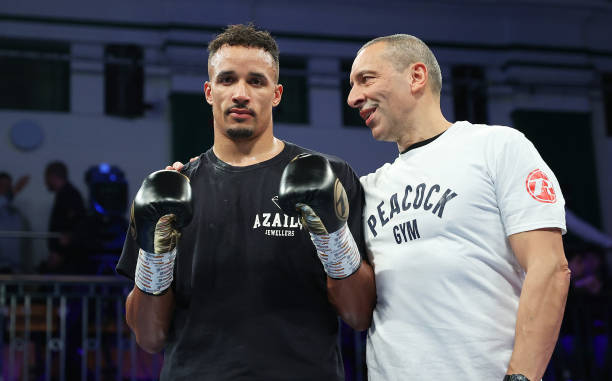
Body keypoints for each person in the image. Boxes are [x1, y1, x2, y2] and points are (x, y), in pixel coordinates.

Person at [116, 24, 375, 380]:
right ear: (209, 91)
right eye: (226, 80)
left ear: (277, 93)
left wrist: (332, 235)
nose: (240, 93)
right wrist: (154, 256)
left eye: (256, 81)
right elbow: (149, 336)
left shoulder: (330, 177)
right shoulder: (173, 191)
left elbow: (359, 315)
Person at [347, 34, 570, 381]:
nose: (352, 97)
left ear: (416, 76)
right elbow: (357, 306)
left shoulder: (496, 148)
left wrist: (522, 377)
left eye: (366, 79)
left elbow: (550, 267)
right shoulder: (367, 189)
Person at [40, 161, 86, 274]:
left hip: (67, 258)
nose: (45, 182)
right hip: (65, 254)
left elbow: (71, 226)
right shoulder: (66, 194)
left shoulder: (69, 194)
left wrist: (59, 251)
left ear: (52, 176)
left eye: (46, 178)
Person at [0, 172, 30, 273]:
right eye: (2, 185)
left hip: (15, 270)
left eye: (8, 186)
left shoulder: (17, 213)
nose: (5, 189)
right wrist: (15, 190)